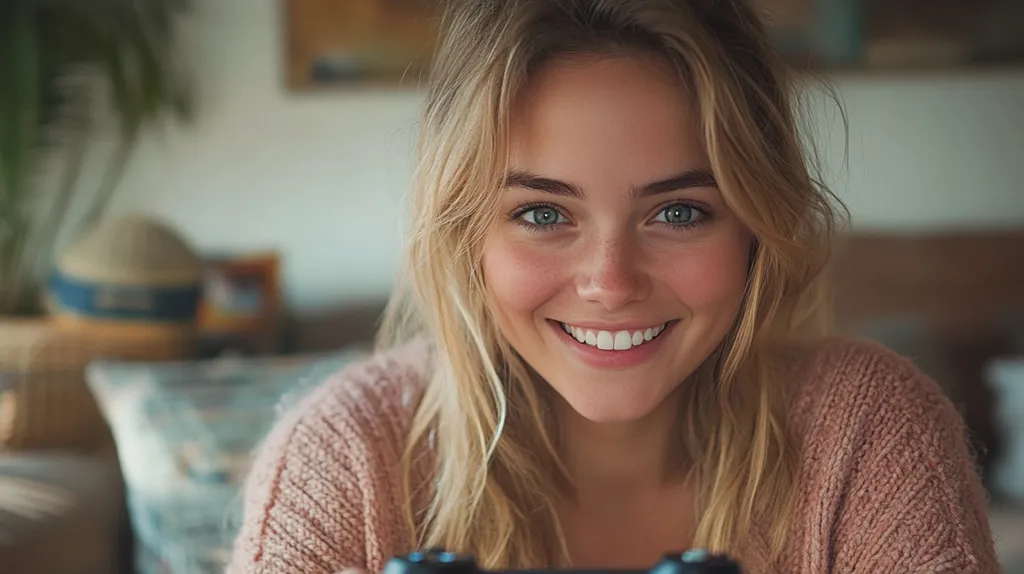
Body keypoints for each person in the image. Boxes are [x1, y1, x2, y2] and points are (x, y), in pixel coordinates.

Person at [226, 1, 1000, 573]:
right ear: (465, 232)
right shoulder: (344, 461)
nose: (609, 283)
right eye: (541, 213)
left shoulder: (872, 437)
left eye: (678, 211)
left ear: (757, 226)